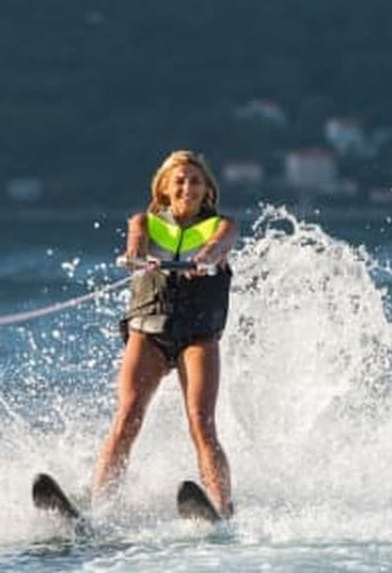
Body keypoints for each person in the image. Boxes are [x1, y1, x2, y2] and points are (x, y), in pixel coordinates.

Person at [92, 149, 237, 518]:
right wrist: (138, 258)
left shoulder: (222, 225)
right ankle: (100, 508)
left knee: (202, 423)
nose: (188, 186)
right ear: (164, 188)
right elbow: (135, 242)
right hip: (149, 330)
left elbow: (219, 246)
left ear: (207, 190)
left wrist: (204, 259)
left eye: (196, 181)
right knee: (128, 416)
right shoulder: (144, 221)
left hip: (198, 335)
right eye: (180, 180)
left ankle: (222, 509)